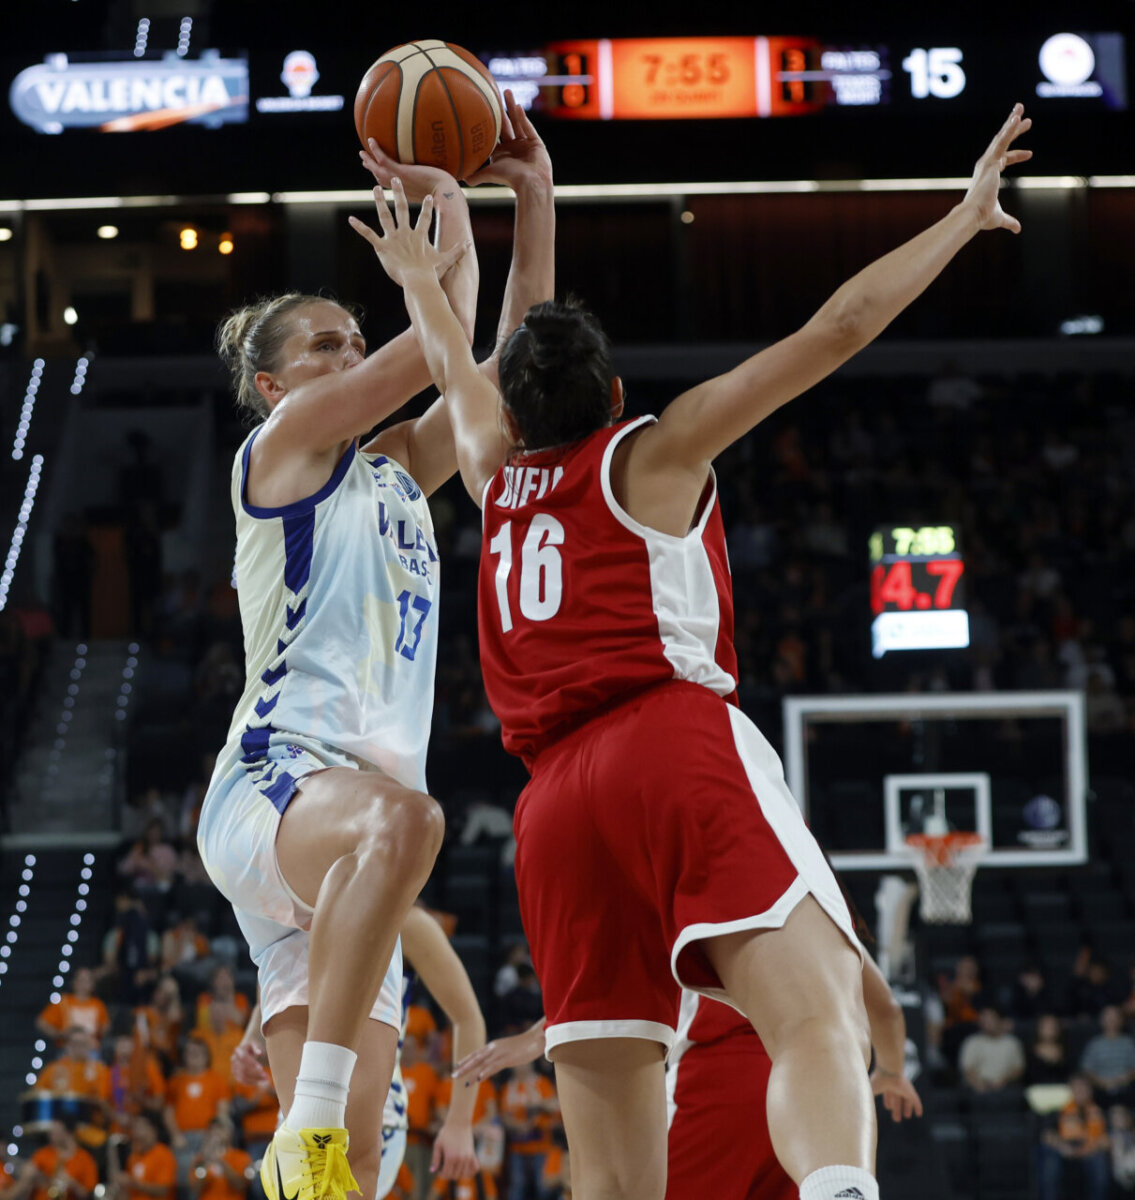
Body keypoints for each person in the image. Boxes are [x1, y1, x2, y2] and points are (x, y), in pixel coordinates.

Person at [359, 104, 1032, 1200]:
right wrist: (959, 218)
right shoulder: (655, 454)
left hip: (553, 808)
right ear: (614, 395)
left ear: (514, 409)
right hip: (665, 743)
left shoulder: (491, 467)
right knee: (811, 1012)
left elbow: (455, 356)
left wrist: (422, 275)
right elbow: (837, 329)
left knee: (614, 1154)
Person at [196, 86, 553, 1200]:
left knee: (356, 1169)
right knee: (411, 817)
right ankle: (297, 1129)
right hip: (282, 788)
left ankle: (309, 1148)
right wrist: (439, 233)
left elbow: (491, 370)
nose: (351, 353)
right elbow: (416, 351)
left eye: (355, 337)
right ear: (272, 382)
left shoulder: (396, 467)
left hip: (352, 859)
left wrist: (525, 200)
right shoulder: (283, 444)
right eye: (325, 346)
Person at [454, 955, 921, 1200]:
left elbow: (607, 981)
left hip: (722, 1076)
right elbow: (889, 1009)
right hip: (817, 1083)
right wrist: (892, 1072)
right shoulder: (821, 914)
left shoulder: (698, 887)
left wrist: (536, 1038)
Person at [232, 904, 490, 1198]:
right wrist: (250, 1040)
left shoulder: (409, 922)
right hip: (301, 1099)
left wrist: (459, 1121)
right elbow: (269, 991)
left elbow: (468, 1019)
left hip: (373, 1110)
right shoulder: (296, 905)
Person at [1036, 1074, 1111, 1200]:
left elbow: (1108, 1139)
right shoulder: (1059, 1110)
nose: (1080, 1091)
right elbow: (1046, 1135)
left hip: (1091, 1150)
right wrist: (1062, 1147)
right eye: (1076, 1087)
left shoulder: (1101, 1110)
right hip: (1065, 1149)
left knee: (1100, 1161)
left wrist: (1092, 1148)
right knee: (1049, 1159)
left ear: (1090, 1090)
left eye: (1083, 1087)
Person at [958, 1006, 1026, 1096]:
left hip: (1006, 1087)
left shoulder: (1012, 1043)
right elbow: (967, 1069)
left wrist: (1004, 1080)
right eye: (984, 1020)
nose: (987, 1023)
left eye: (990, 1019)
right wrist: (978, 1084)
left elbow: (1018, 1069)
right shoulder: (972, 1042)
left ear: (999, 1020)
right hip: (977, 1088)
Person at [36, 968, 110, 1045]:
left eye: (87, 981)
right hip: (67, 1048)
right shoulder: (63, 1002)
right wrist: (58, 1034)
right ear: (74, 982)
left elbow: (105, 1026)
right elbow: (42, 1023)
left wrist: (99, 1033)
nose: (83, 984)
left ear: (93, 984)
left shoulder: (98, 1004)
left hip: (90, 1049)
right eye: (80, 980)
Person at [1080, 1005, 1135, 1103]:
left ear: (1121, 1020)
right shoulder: (1094, 1044)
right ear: (1102, 1020)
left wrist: (1123, 1079)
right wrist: (1101, 1082)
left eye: (1115, 1017)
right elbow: (1087, 1071)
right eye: (1108, 1017)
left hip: (1127, 1088)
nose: (1111, 1020)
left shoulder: (1129, 1043)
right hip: (1099, 1088)